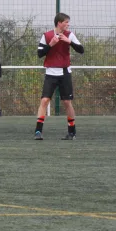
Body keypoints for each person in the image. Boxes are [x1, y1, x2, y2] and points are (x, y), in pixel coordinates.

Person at [34, 13, 84, 141]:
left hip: (65, 73)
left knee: (67, 102)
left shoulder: (70, 35)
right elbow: (40, 53)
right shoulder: (47, 35)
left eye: (68, 22)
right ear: (59, 23)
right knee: (44, 101)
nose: (68, 24)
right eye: (66, 22)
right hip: (51, 73)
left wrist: (70, 42)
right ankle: (38, 131)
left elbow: (81, 50)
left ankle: (72, 132)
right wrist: (51, 44)